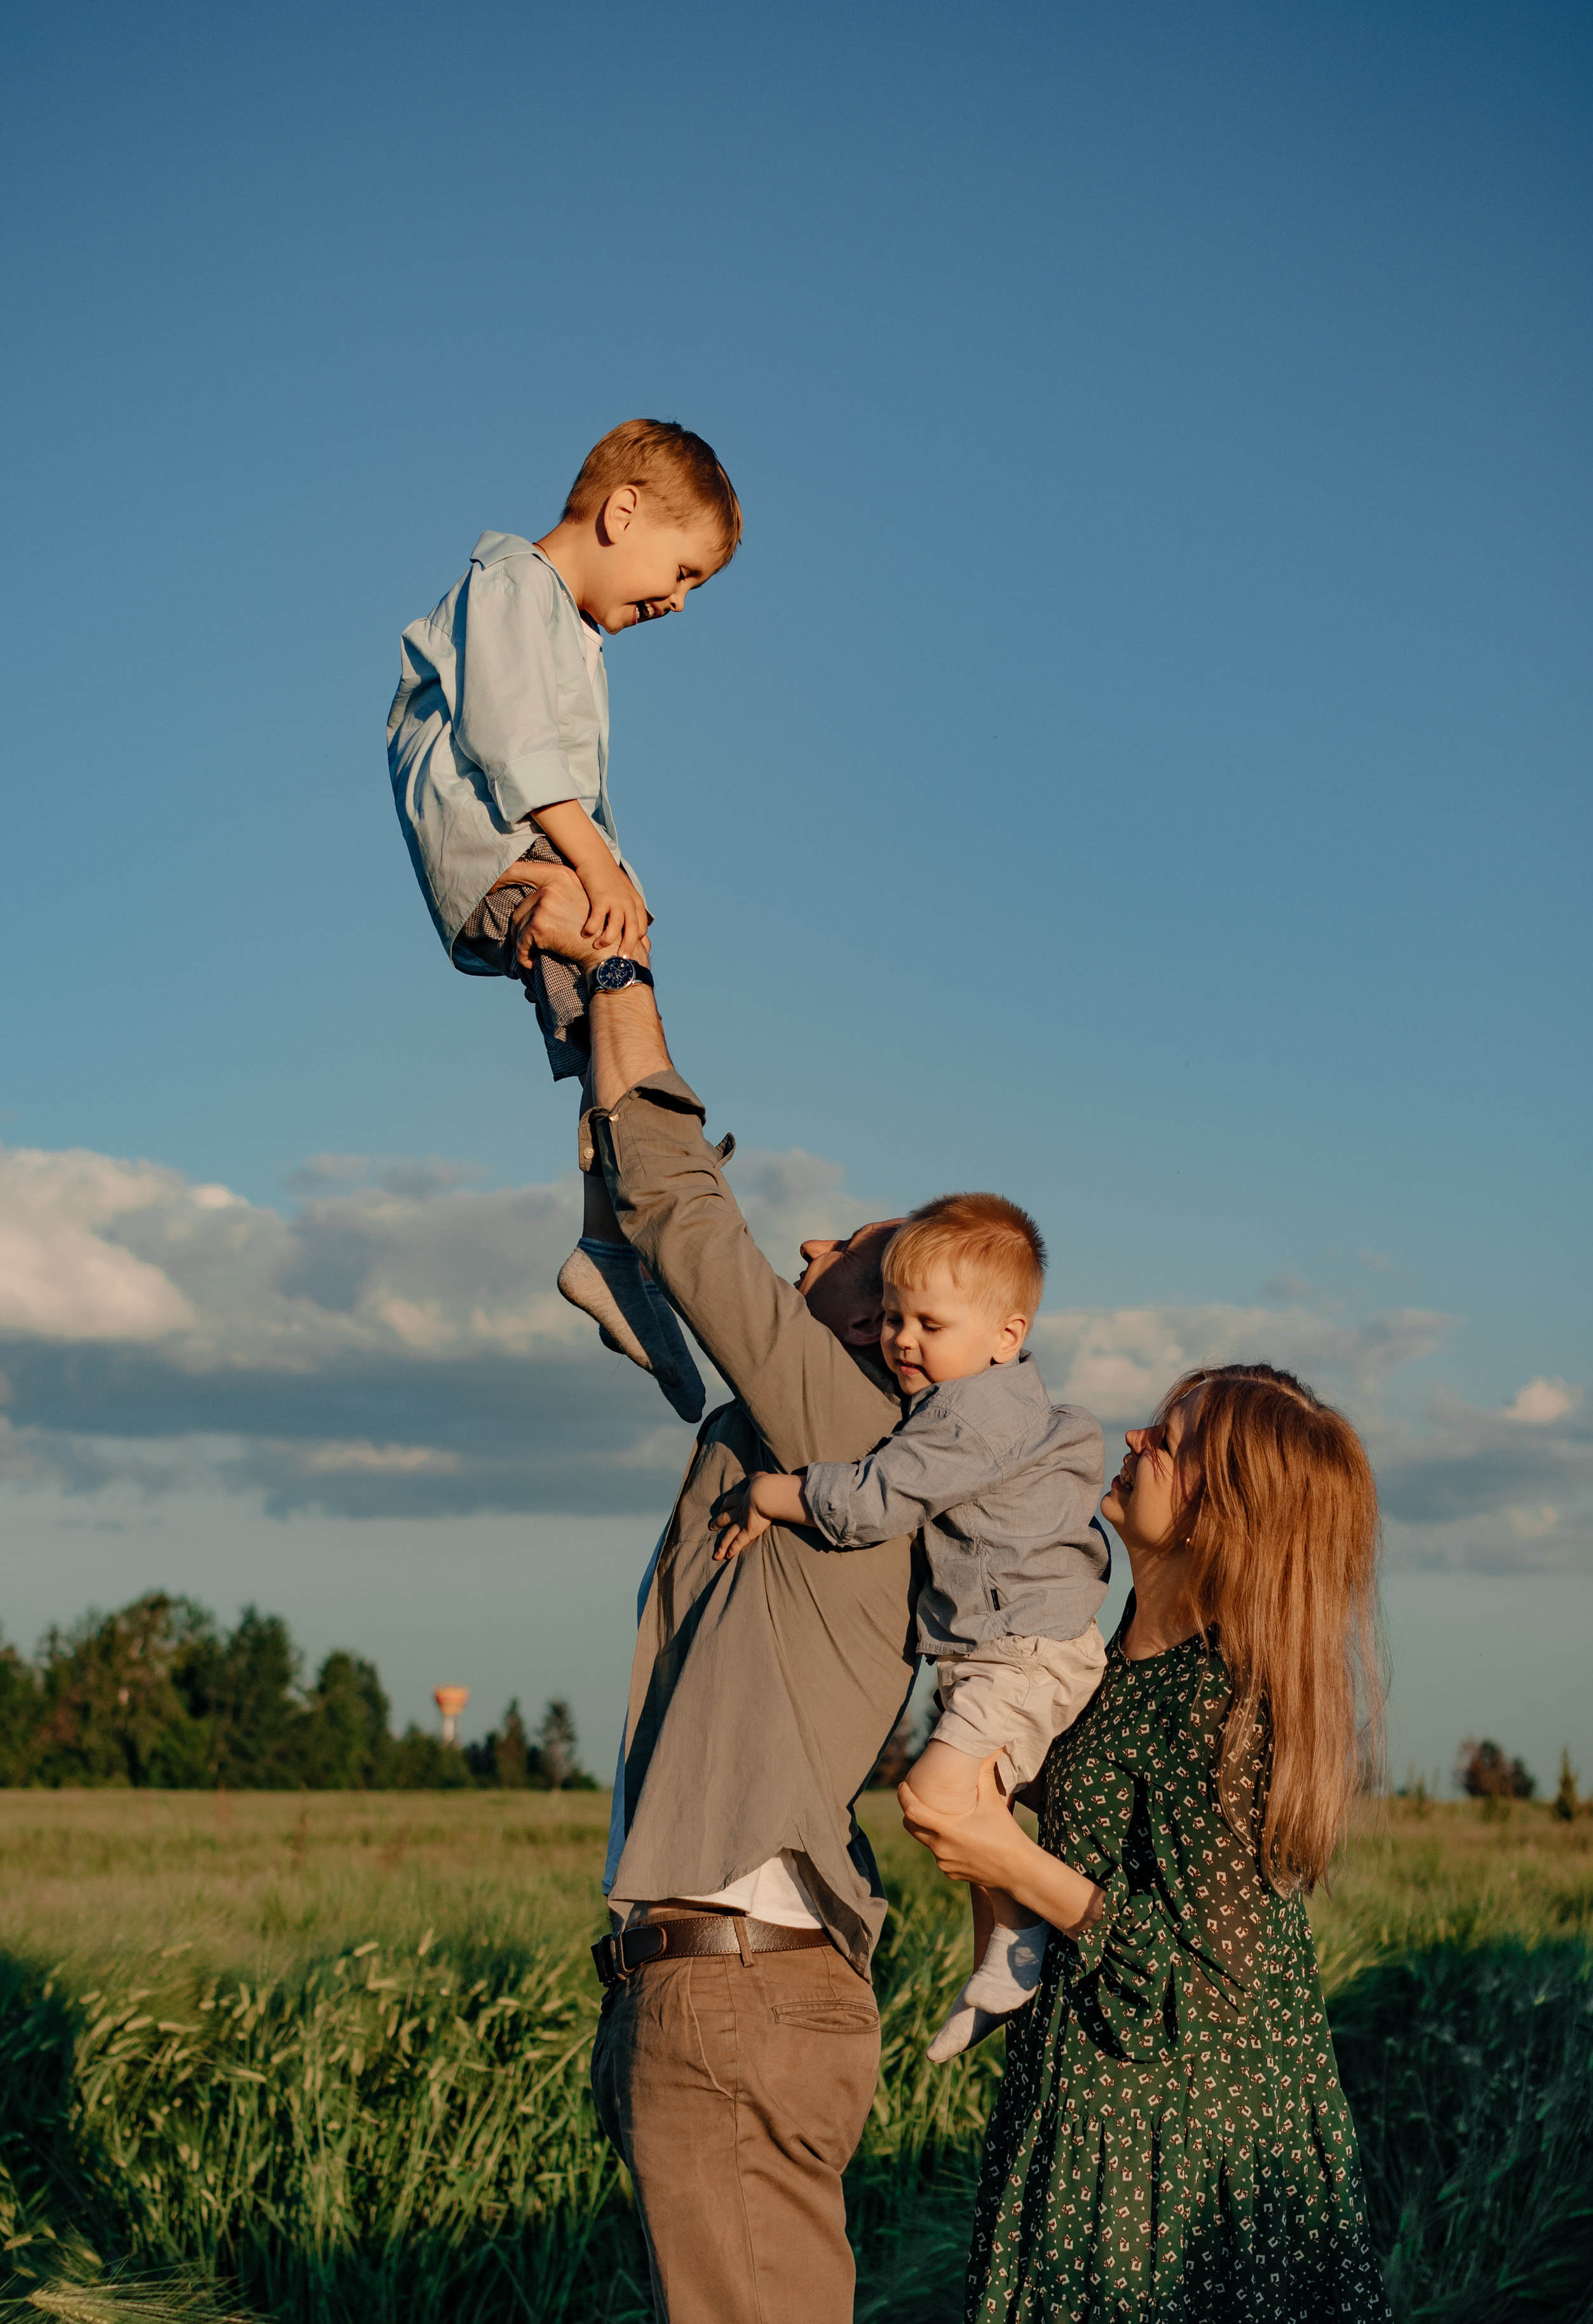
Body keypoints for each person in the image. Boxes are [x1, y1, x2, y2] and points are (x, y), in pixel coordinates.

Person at [501, 865, 919, 2324]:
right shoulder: (782, 1450)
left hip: (738, 1990)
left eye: (845, 1250)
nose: (806, 1246)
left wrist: (619, 972)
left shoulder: (849, 1427)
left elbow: (687, 1212)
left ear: (880, 1329)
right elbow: (642, 1213)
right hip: (706, 1989)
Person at [900, 1364, 1392, 2321]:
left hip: (1170, 2181)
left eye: (1166, 1442)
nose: (1132, 1442)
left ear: (1220, 1515)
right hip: (1085, 2119)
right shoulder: (1100, 1664)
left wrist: (1003, 1855)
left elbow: (1201, 1993)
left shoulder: (1220, 1708)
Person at [385, 418, 742, 1421]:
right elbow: (511, 745)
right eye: (681, 571)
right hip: (499, 856)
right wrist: (597, 865)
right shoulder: (506, 589)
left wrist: (615, 869)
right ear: (622, 511)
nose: (677, 601)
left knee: (613, 1003)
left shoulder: (569, 626)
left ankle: (610, 1239)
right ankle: (643, 1195)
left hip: (534, 854)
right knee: (608, 938)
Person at [712, 1191, 1111, 2064]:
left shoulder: (972, 1415)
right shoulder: (965, 1401)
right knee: (978, 1804)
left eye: (930, 1323)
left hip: (1023, 1652)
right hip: (999, 1648)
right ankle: (1003, 1959)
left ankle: (1067, 1920)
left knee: (933, 1801)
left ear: (1007, 1335)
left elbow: (875, 1503)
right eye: (893, 1318)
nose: (902, 1340)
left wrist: (774, 1495)